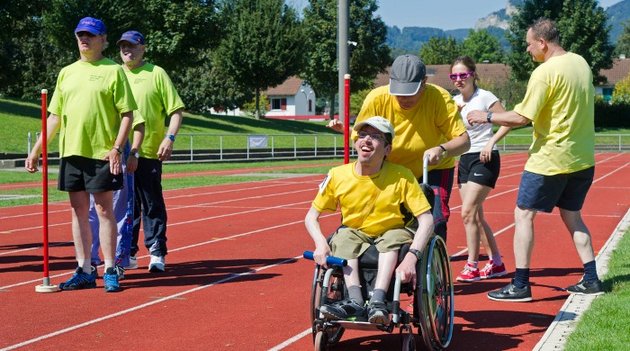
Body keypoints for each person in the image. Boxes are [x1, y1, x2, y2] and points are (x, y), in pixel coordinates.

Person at [467, 18, 603, 301]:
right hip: (582, 158)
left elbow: (521, 117)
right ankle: (591, 279)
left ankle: (520, 284)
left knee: (523, 215)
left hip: (550, 159)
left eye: (529, 45)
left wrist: (486, 116)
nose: (528, 50)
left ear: (542, 42)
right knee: (573, 216)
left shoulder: (544, 72)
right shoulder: (581, 62)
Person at [25, 17, 137, 292]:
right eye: (80, 35)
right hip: (71, 151)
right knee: (78, 211)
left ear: (103, 40)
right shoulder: (67, 72)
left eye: (90, 35)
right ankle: (85, 268)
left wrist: (115, 148)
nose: (84, 39)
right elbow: (54, 117)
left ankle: (110, 267)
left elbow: (127, 114)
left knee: (103, 209)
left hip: (101, 152)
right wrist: (37, 150)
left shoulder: (114, 71)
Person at [305, 116, 434, 324]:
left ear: (387, 149)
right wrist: (320, 243)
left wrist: (412, 258)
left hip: (393, 229)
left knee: (392, 238)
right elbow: (311, 217)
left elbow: (427, 220)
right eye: (362, 135)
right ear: (355, 142)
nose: (366, 140)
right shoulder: (337, 175)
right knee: (343, 237)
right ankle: (355, 302)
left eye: (375, 137)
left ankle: (378, 300)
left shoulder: (402, 176)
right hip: (355, 230)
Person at [328, 54, 470, 241]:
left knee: (436, 219)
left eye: (410, 92)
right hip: (390, 168)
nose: (404, 98)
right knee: (384, 220)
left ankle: (433, 259)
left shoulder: (440, 99)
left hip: (432, 168)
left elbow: (464, 141)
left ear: (424, 82)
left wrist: (442, 149)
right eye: (399, 91)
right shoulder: (377, 99)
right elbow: (360, 137)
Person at [116, 30, 185, 272]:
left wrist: (170, 137)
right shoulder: (114, 74)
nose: (127, 50)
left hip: (148, 153)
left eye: (132, 46)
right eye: (123, 46)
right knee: (125, 207)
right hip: (118, 153)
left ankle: (156, 252)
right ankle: (128, 252)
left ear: (143, 48)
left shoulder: (156, 73)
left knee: (151, 203)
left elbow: (176, 110)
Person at [450, 56, 510, 282]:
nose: (458, 80)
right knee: (476, 215)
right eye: (454, 76)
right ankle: (496, 262)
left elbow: (507, 121)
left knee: (467, 212)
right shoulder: (455, 102)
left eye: (462, 75)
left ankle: (472, 265)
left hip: (485, 158)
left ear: (473, 74)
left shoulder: (486, 97)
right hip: (464, 159)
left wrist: (490, 142)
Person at [89, 117, 144, 278]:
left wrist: (134, 152)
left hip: (119, 157)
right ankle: (90, 262)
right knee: (91, 212)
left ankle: (117, 262)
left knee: (119, 211)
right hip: (91, 155)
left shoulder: (121, 94)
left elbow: (138, 123)